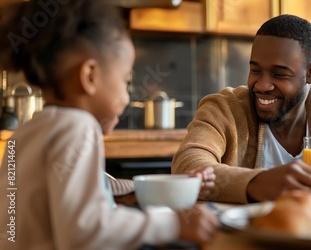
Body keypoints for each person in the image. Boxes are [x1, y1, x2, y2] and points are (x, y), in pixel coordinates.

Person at [0, 1, 218, 250]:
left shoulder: (24, 134)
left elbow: (77, 192)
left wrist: (168, 188)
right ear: (90, 76)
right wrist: (172, 224)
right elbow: (84, 231)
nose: (127, 97)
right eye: (125, 81)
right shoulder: (78, 127)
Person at [172, 14, 311, 203]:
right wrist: (255, 183)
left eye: (279, 74)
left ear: (310, 73)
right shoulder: (224, 108)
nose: (262, 85)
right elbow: (187, 163)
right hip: (239, 230)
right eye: (256, 71)